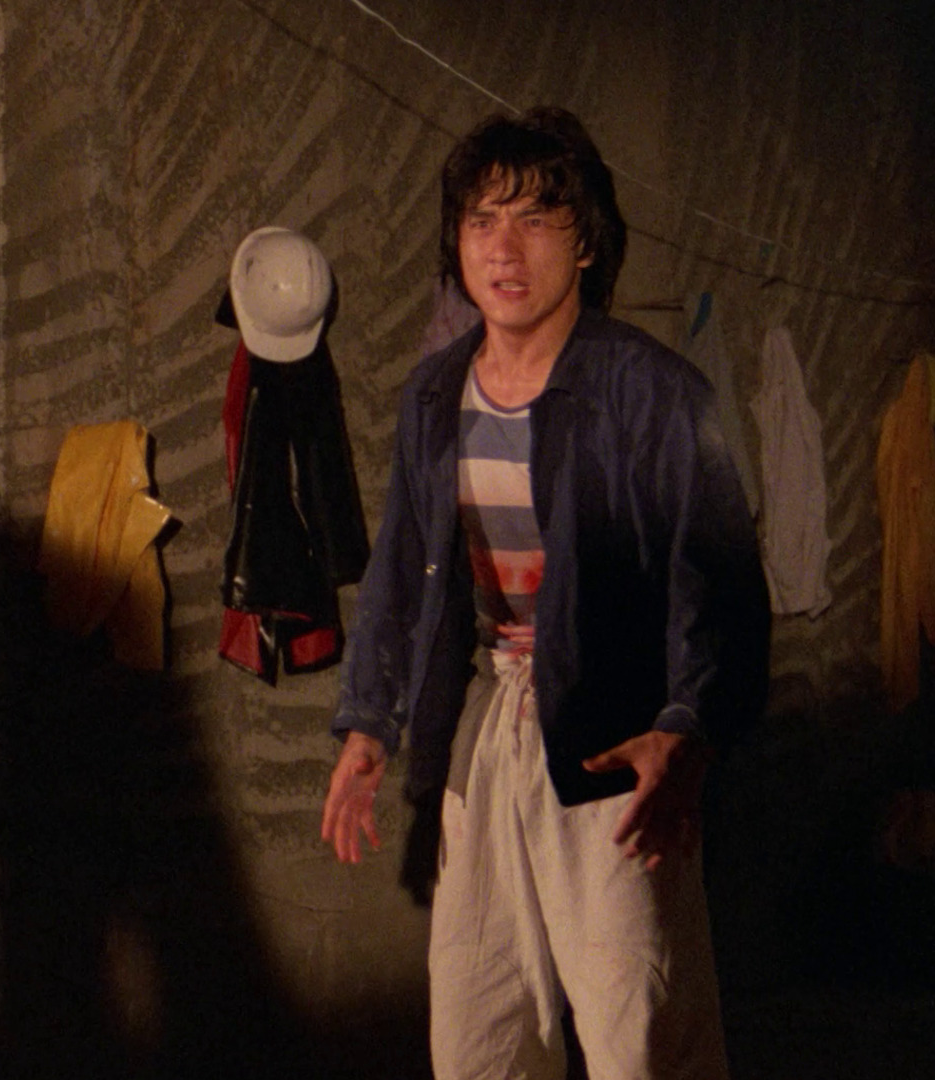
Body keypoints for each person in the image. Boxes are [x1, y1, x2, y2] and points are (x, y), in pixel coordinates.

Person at [319, 107, 769, 1079]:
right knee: (479, 1025)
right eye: (482, 220)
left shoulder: (653, 391)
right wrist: (368, 724)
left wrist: (687, 725)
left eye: (535, 218)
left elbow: (721, 578)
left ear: (587, 240)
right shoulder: (435, 394)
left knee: (637, 1028)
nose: (504, 247)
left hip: (613, 734)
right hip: (486, 729)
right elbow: (402, 566)